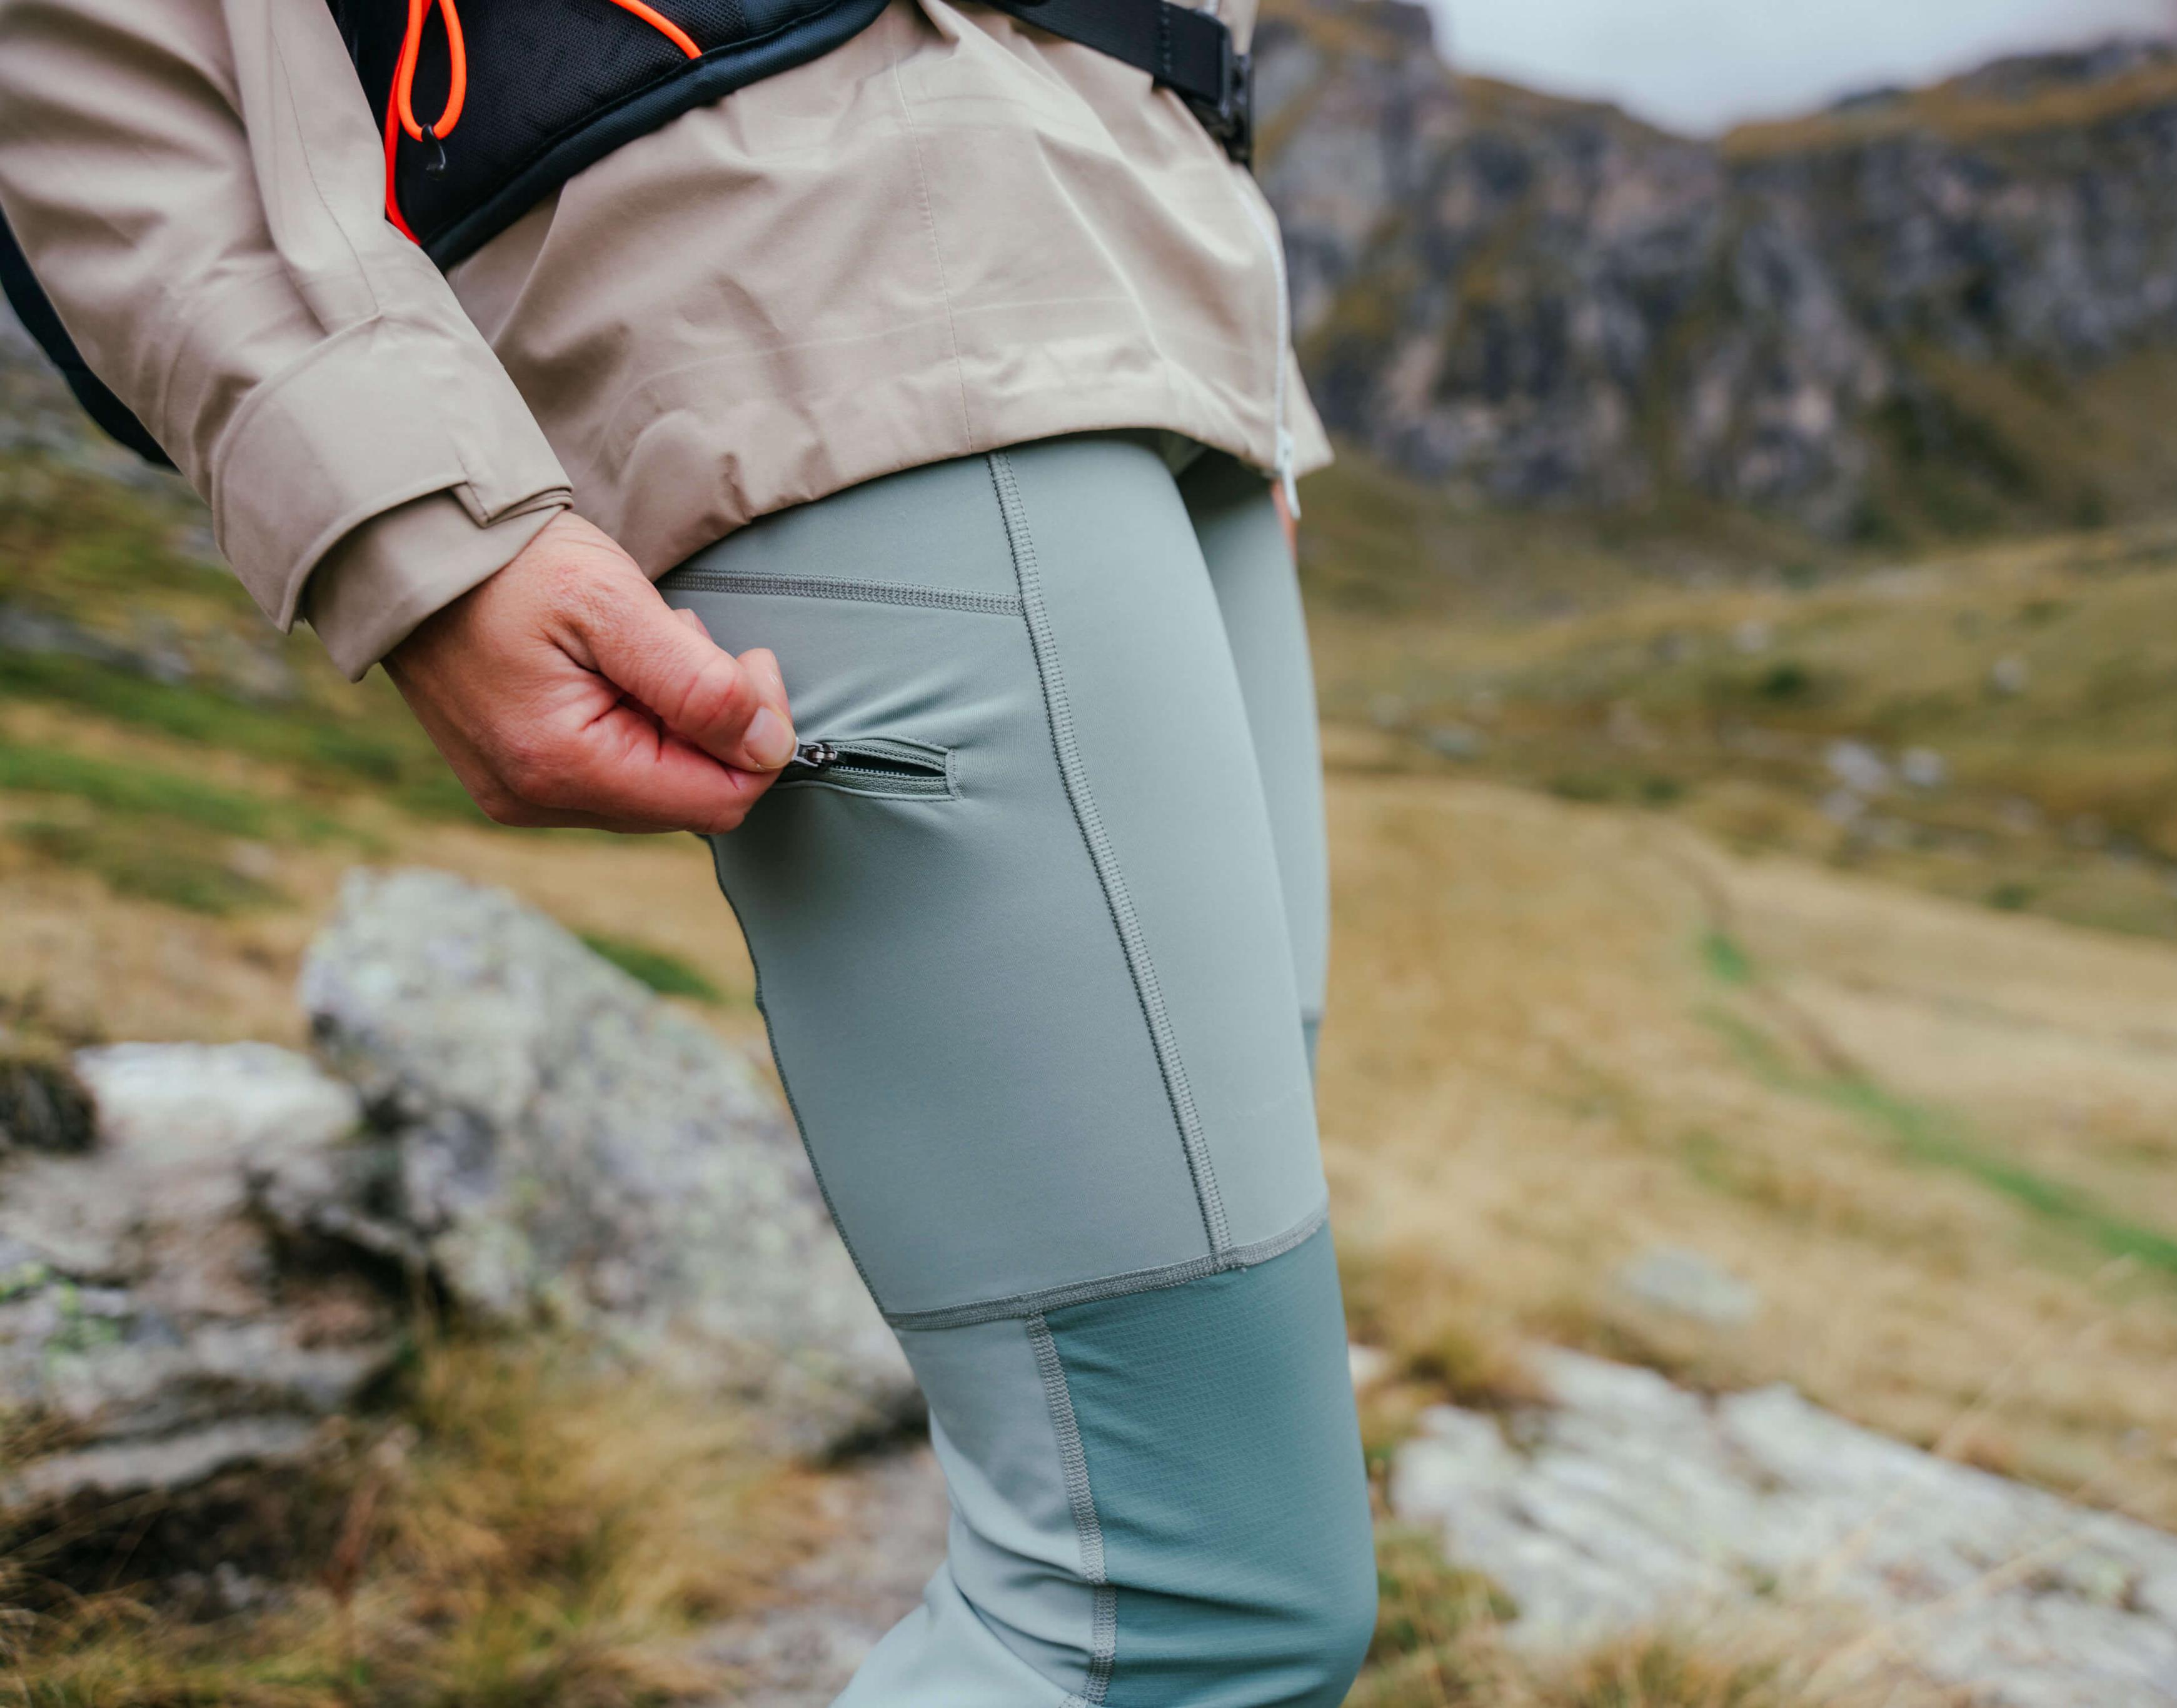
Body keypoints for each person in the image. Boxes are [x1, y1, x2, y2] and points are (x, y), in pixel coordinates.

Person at [0, 1, 1376, 1702]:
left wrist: (1201, 268)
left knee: (1193, 1483)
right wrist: (392, 501)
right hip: (767, 250)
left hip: (1117, 227)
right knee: (1172, 1599)